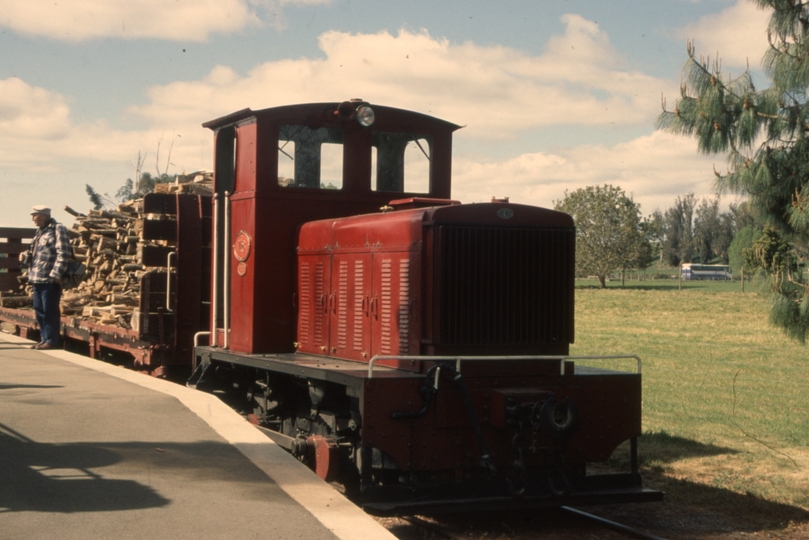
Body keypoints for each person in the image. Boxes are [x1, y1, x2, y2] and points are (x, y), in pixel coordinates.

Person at [20, 205, 71, 349]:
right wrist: (25, 256)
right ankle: (45, 338)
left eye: (34, 216)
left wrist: (56, 274)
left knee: (49, 309)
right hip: (37, 277)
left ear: (42, 215)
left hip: (50, 279)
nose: (32, 219)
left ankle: (51, 340)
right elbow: (35, 254)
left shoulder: (58, 229)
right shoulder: (40, 232)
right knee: (39, 308)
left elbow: (64, 253)